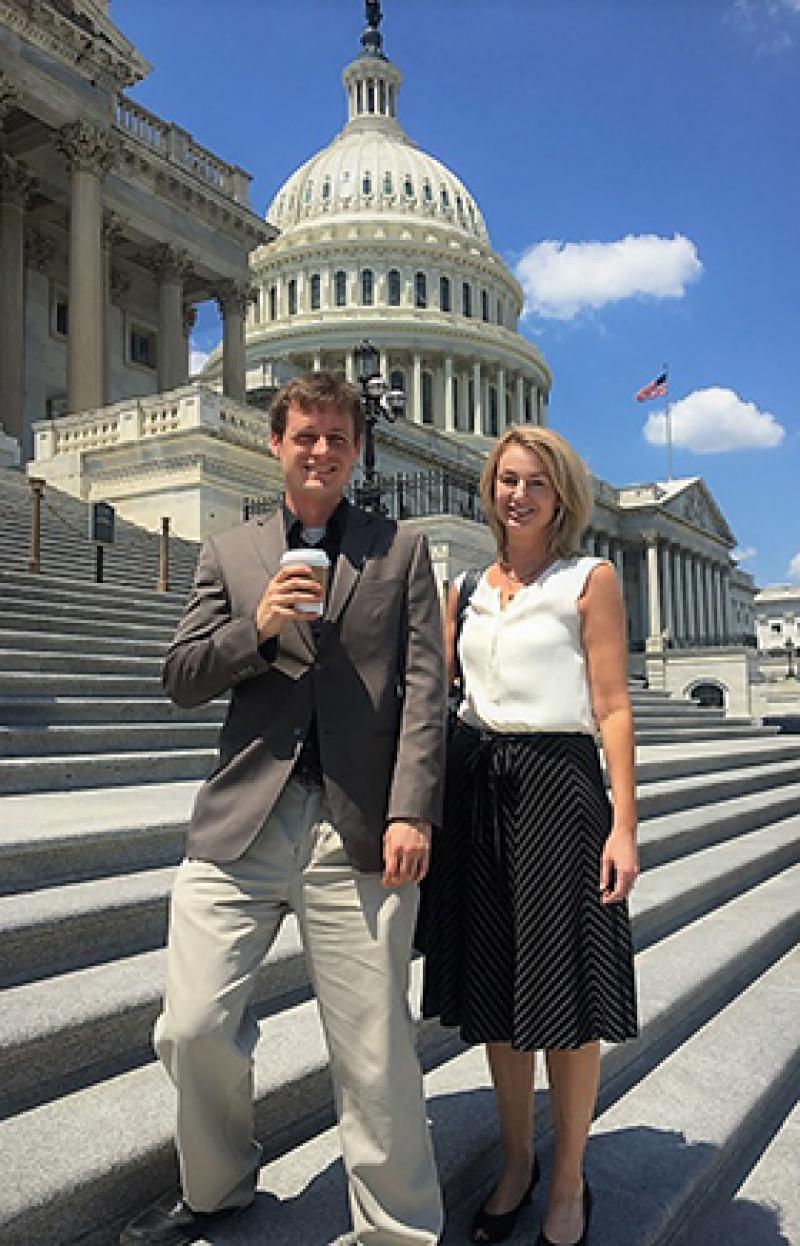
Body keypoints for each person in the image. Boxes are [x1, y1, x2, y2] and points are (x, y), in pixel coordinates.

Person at [121, 372, 446, 1246]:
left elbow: (425, 690)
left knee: (374, 1047)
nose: (322, 450)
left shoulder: (401, 549)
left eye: (338, 438)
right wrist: (254, 629)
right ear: (277, 444)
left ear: (356, 449)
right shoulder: (230, 551)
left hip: (358, 827)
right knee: (191, 1028)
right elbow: (181, 677)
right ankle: (216, 1188)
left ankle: (399, 1232)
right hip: (242, 820)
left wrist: (414, 810)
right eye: (305, 435)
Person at [419, 426, 638, 1246]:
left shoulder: (591, 579)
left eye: (535, 483)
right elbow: (435, 696)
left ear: (561, 497)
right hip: (478, 789)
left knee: (564, 993)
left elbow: (612, 707)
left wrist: (625, 823)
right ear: (490, 490)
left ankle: (570, 1177)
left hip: (560, 789)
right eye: (507, 480)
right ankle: (518, 1161)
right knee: (496, 996)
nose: (518, 495)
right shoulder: (467, 586)